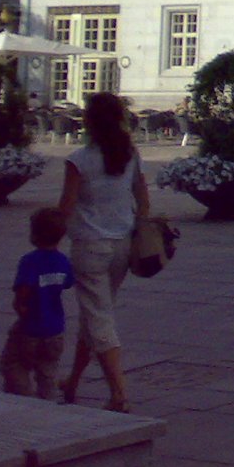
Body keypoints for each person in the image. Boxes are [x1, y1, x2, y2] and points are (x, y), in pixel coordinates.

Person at [57, 91, 148, 412]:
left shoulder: (79, 160)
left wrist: (48, 238)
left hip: (89, 246)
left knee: (99, 318)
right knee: (93, 314)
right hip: (122, 244)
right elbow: (143, 199)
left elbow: (66, 206)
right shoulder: (129, 155)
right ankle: (73, 381)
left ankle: (119, 393)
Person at [0, 208, 75, 399]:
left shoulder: (30, 262)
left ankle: (23, 395)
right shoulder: (63, 261)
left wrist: (20, 305)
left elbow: (23, 289)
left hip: (31, 326)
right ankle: (48, 401)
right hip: (55, 329)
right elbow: (67, 282)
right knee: (48, 369)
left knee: (12, 363)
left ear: (34, 234)